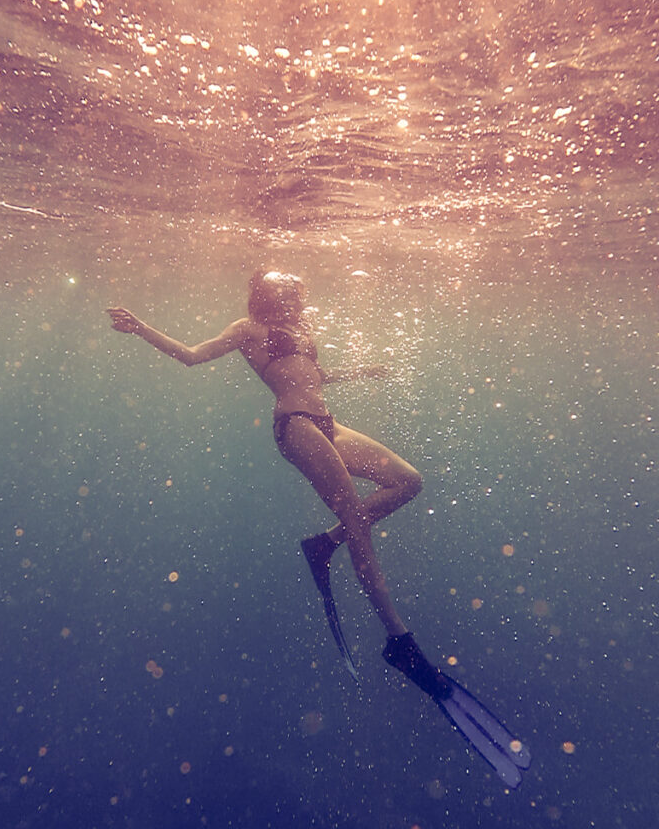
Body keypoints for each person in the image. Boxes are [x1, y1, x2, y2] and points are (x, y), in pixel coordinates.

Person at [107, 268, 531, 787]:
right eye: (280, 285)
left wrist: (360, 372)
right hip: (296, 428)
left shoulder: (304, 330)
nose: (291, 290)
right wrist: (141, 328)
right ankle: (400, 641)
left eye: (293, 285)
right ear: (265, 293)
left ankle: (322, 546)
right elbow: (194, 356)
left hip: (325, 422)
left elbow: (312, 380)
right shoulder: (247, 329)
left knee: (407, 481)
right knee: (357, 521)